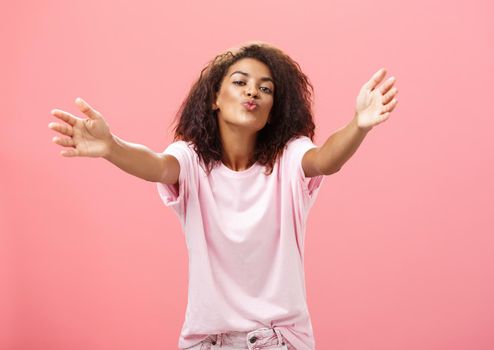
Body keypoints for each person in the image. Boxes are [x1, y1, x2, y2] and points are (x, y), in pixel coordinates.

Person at [48, 41, 398, 350]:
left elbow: (325, 159)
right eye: (240, 82)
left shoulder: (289, 159)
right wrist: (111, 147)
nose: (252, 93)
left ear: (273, 109)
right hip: (206, 342)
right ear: (215, 97)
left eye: (266, 88)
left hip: (279, 339)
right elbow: (156, 165)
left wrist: (358, 124)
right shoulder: (191, 160)